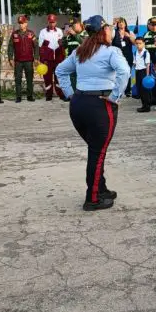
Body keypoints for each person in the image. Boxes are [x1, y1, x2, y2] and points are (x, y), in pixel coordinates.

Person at [55, 15, 130, 211]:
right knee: (97, 151)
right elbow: (125, 72)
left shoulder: (81, 51)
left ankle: (101, 188)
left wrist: (70, 94)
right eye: (109, 28)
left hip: (79, 104)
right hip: (100, 105)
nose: (111, 31)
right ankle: (93, 198)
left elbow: (60, 70)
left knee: (96, 149)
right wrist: (115, 96)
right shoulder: (111, 51)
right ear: (103, 30)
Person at [8, 15, 38, 102]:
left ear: (26, 23)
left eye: (23, 23)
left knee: (29, 79)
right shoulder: (14, 34)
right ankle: (18, 97)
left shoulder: (31, 33)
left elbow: (36, 46)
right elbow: (10, 46)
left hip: (29, 60)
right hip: (18, 61)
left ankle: (30, 96)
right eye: (20, 23)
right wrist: (10, 58)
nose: (21, 25)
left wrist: (36, 58)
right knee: (18, 79)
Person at [39, 14, 66, 101]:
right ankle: (49, 95)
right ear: (48, 22)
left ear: (56, 22)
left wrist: (63, 58)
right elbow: (41, 46)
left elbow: (62, 46)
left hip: (58, 59)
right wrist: (42, 59)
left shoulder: (59, 31)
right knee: (47, 78)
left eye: (53, 22)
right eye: (50, 22)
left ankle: (61, 94)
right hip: (47, 59)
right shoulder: (43, 32)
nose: (52, 24)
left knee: (58, 77)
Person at [62, 19, 88, 92]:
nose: (72, 27)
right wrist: (65, 36)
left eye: (74, 25)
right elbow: (63, 46)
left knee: (82, 80)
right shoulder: (70, 36)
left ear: (79, 24)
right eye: (71, 26)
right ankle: (74, 95)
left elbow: (85, 43)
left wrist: (75, 35)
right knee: (72, 80)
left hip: (82, 61)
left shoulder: (85, 33)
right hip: (72, 62)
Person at [112, 18, 135, 96]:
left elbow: (135, 43)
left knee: (128, 72)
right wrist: (113, 24)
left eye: (123, 22)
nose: (121, 24)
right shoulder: (114, 32)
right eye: (119, 23)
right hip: (117, 56)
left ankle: (127, 91)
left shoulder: (130, 32)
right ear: (117, 24)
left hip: (128, 55)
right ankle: (118, 90)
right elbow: (109, 39)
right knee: (116, 73)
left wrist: (129, 36)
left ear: (125, 24)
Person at [134, 37, 152, 113]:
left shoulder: (146, 53)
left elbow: (147, 65)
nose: (138, 45)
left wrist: (147, 76)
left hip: (144, 72)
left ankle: (147, 106)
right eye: (137, 43)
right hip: (138, 72)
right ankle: (143, 105)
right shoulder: (135, 52)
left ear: (144, 44)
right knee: (140, 89)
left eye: (140, 43)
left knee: (145, 90)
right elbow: (134, 64)